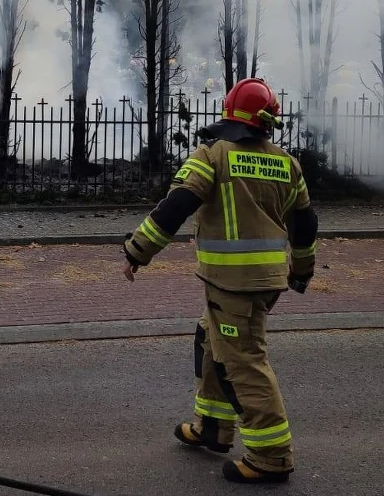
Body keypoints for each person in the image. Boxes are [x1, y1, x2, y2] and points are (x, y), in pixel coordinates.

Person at [121, 77, 319, 485]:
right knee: (211, 341)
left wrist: (137, 250)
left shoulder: (213, 155)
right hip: (261, 282)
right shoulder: (287, 163)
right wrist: (301, 271)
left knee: (243, 362)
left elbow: (178, 204)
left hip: (234, 284)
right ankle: (212, 426)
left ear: (230, 113)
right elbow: (305, 224)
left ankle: (271, 455)